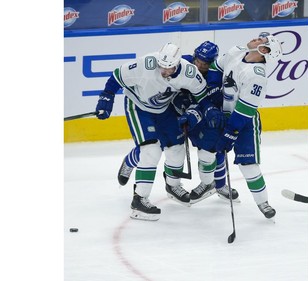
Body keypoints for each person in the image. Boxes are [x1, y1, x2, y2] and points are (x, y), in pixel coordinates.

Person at [95, 42, 217, 221]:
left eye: (169, 68)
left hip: (164, 108)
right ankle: (139, 199)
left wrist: (207, 110)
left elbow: (202, 97)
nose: (164, 71)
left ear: (178, 64)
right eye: (162, 66)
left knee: (176, 150)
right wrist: (106, 97)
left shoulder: (189, 73)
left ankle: (172, 186)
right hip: (138, 106)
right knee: (151, 150)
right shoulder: (146, 64)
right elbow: (117, 76)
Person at [118, 41, 241, 204]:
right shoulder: (177, 65)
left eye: (204, 63)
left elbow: (208, 99)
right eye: (198, 60)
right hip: (172, 112)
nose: (199, 65)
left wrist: (205, 111)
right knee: (153, 148)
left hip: (197, 116)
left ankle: (216, 184)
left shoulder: (214, 75)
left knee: (212, 147)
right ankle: (130, 161)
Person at [213, 33, 283, 219]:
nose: (256, 39)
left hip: (244, 122)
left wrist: (230, 133)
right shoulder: (237, 51)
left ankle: (263, 202)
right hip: (221, 114)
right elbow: (215, 69)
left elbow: (245, 109)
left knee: (248, 165)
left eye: (262, 41)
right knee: (214, 152)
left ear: (264, 51)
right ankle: (215, 186)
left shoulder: (256, 75)